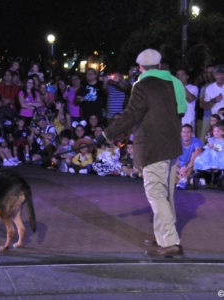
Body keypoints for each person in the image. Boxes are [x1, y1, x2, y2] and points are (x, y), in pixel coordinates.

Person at [95, 48, 187, 257]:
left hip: (154, 147)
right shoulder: (173, 83)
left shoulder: (143, 85)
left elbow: (131, 115)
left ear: (141, 67)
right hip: (172, 145)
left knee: (155, 192)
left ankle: (171, 242)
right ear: (159, 65)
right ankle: (164, 234)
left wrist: (105, 135)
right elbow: (181, 110)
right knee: (166, 194)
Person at [176, 124, 203, 189]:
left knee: (195, 155)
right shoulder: (177, 142)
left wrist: (187, 167)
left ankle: (185, 179)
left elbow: (198, 152)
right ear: (181, 133)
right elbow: (174, 159)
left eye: (188, 132)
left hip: (190, 167)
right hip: (179, 168)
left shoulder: (196, 141)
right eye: (184, 132)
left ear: (192, 133)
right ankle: (189, 181)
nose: (186, 134)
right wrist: (180, 170)